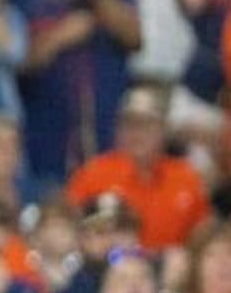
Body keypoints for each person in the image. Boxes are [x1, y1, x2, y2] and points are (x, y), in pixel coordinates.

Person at [66, 85, 210, 251]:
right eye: (129, 124)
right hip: (110, 269)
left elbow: (202, 237)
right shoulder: (94, 172)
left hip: (168, 270)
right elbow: (70, 227)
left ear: (163, 129)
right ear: (118, 130)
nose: (137, 133)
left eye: (147, 124)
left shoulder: (186, 176)